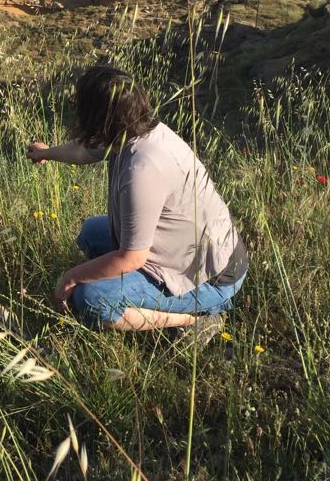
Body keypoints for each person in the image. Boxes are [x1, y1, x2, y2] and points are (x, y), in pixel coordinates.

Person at [27, 64, 248, 342]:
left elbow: (131, 257)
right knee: (92, 234)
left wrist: (70, 278)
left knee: (91, 299)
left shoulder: (143, 167)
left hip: (212, 280)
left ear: (98, 117)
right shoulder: (135, 131)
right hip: (181, 254)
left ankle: (194, 320)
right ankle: (145, 295)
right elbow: (84, 151)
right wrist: (47, 152)